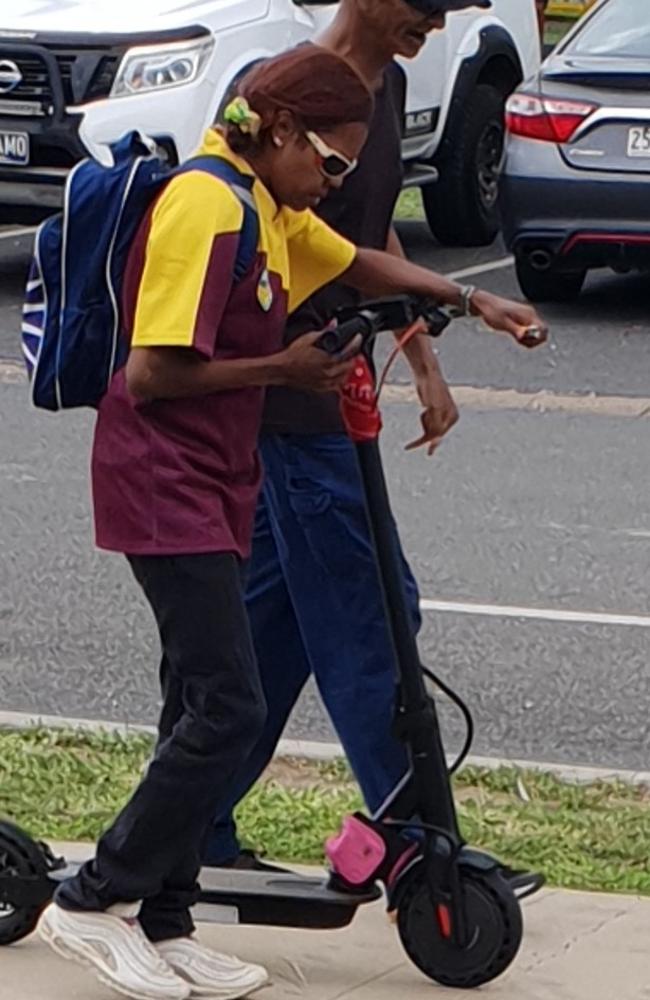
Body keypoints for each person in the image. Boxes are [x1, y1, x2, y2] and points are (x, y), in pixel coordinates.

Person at [38, 44, 544, 1000]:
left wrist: (472, 299)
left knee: (196, 703)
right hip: (161, 483)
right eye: (331, 163)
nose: (336, 183)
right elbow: (151, 374)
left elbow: (357, 260)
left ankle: (165, 915)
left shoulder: (270, 208)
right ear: (277, 133)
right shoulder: (205, 205)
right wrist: (284, 370)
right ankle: (94, 899)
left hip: (219, 481)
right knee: (227, 707)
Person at [203, 0, 545, 896]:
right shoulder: (275, 93)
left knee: (270, 634)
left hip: (333, 396)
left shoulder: (382, 87)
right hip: (291, 405)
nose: (433, 21)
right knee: (371, 616)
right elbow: (242, 234)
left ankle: (193, 821)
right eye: (422, 4)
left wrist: (425, 356)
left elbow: (368, 235)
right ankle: (424, 850)